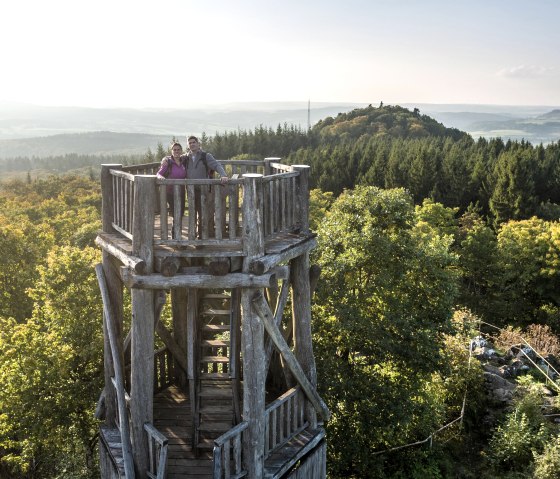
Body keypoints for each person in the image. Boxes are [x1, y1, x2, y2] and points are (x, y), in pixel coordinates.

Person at [184, 136, 228, 237]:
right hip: (190, 190)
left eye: (194, 142)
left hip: (203, 190)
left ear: (198, 144)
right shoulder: (186, 157)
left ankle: (201, 236)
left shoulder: (206, 156)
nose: (192, 144)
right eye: (190, 143)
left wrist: (224, 175)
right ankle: (192, 234)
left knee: (202, 213)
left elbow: (217, 165)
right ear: (188, 145)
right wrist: (165, 158)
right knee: (192, 213)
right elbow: (173, 158)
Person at [156, 141, 187, 221]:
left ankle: (177, 232)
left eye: (178, 149)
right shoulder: (168, 163)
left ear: (181, 151)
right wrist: (160, 178)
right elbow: (159, 173)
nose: (176, 151)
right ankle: (174, 232)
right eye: (174, 150)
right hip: (170, 192)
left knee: (180, 214)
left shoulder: (184, 161)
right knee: (175, 214)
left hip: (181, 192)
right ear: (171, 151)